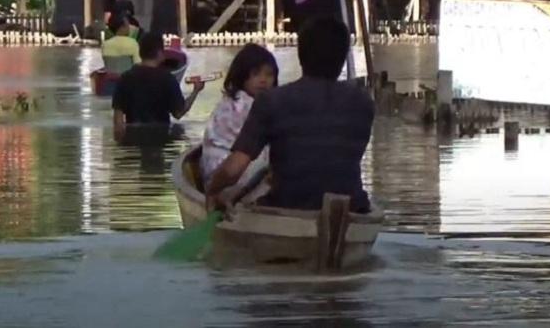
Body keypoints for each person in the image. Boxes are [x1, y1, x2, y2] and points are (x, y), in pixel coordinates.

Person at [206, 16, 375, 213]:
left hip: (287, 207)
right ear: (343, 57)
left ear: (301, 54)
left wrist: (212, 189)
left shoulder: (271, 101)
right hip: (352, 207)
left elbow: (232, 170)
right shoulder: (364, 103)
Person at [200, 44, 278, 186]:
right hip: (227, 176)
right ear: (242, 75)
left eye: (269, 74)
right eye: (255, 74)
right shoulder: (243, 104)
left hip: (216, 172)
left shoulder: (232, 101)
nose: (263, 80)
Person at [112, 33, 205, 142]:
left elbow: (118, 121)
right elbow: (179, 113)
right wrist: (195, 91)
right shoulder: (167, 79)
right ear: (159, 53)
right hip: (160, 139)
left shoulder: (125, 78)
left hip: (133, 140)